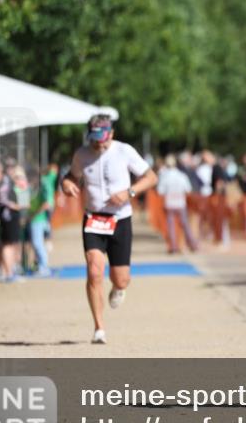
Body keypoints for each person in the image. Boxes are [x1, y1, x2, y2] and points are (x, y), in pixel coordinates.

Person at [61, 114, 157, 344]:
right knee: (94, 271)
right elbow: (71, 176)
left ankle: (118, 288)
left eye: (102, 138)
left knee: (121, 279)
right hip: (93, 219)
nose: (98, 143)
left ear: (111, 134)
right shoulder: (81, 154)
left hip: (120, 219)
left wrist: (129, 192)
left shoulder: (124, 151)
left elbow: (151, 177)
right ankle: (99, 328)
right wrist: (67, 184)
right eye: (94, 139)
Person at [156, 154, 198, 254]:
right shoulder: (182, 175)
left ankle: (173, 247)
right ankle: (192, 244)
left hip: (170, 203)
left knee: (171, 226)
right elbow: (188, 189)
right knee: (185, 224)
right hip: (180, 203)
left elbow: (160, 191)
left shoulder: (164, 176)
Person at [0, 159, 25, 282]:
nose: (12, 170)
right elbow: (2, 198)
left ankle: (8, 271)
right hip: (8, 216)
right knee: (8, 244)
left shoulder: (11, 182)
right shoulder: (6, 182)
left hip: (11, 216)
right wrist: (14, 205)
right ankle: (8, 273)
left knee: (10, 244)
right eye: (9, 167)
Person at [28, 165, 56, 277]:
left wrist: (34, 214)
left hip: (39, 218)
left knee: (37, 243)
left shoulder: (44, 183)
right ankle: (39, 265)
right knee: (37, 243)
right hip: (38, 218)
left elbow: (47, 204)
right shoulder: (37, 185)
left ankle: (43, 266)